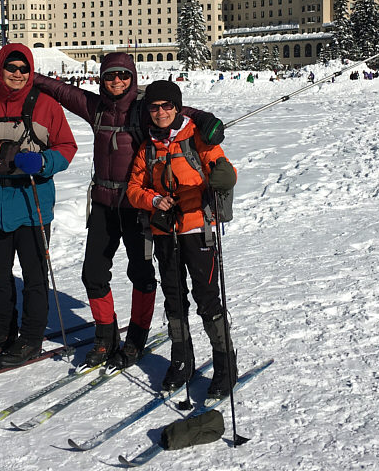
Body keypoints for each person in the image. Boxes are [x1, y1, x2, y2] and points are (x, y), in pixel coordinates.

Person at [32, 53, 225, 371]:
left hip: (140, 208)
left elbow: (178, 109)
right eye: (110, 75)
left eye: (123, 74)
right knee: (92, 274)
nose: (117, 80)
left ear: (132, 76)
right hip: (105, 206)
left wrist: (206, 121)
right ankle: (105, 336)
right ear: (102, 78)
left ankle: (136, 339)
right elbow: (64, 91)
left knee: (142, 274)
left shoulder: (143, 107)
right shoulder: (96, 108)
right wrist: (32, 78)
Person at [0, 44, 77, 367]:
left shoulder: (46, 106)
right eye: (12, 68)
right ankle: (3, 330)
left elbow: (66, 147)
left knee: (34, 276)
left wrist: (43, 161)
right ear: (0, 69)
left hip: (32, 203)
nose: (18, 74)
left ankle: (31, 336)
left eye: (24, 69)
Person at [126, 80, 239, 398]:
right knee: (174, 300)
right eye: (154, 107)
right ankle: (182, 359)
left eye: (167, 106)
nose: (160, 112)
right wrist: (152, 200)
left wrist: (222, 177)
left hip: (197, 230)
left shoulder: (196, 138)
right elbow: (134, 187)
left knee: (206, 298)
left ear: (177, 107)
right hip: (164, 233)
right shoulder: (147, 146)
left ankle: (224, 363)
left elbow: (224, 168)